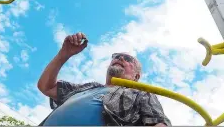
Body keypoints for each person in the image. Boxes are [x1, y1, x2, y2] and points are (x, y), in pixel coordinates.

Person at [37, 32, 171, 126]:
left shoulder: (141, 95)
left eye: (128, 59)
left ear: (136, 76)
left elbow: (158, 123)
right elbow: (46, 87)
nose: (120, 58)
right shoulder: (89, 87)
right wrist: (64, 54)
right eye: (116, 56)